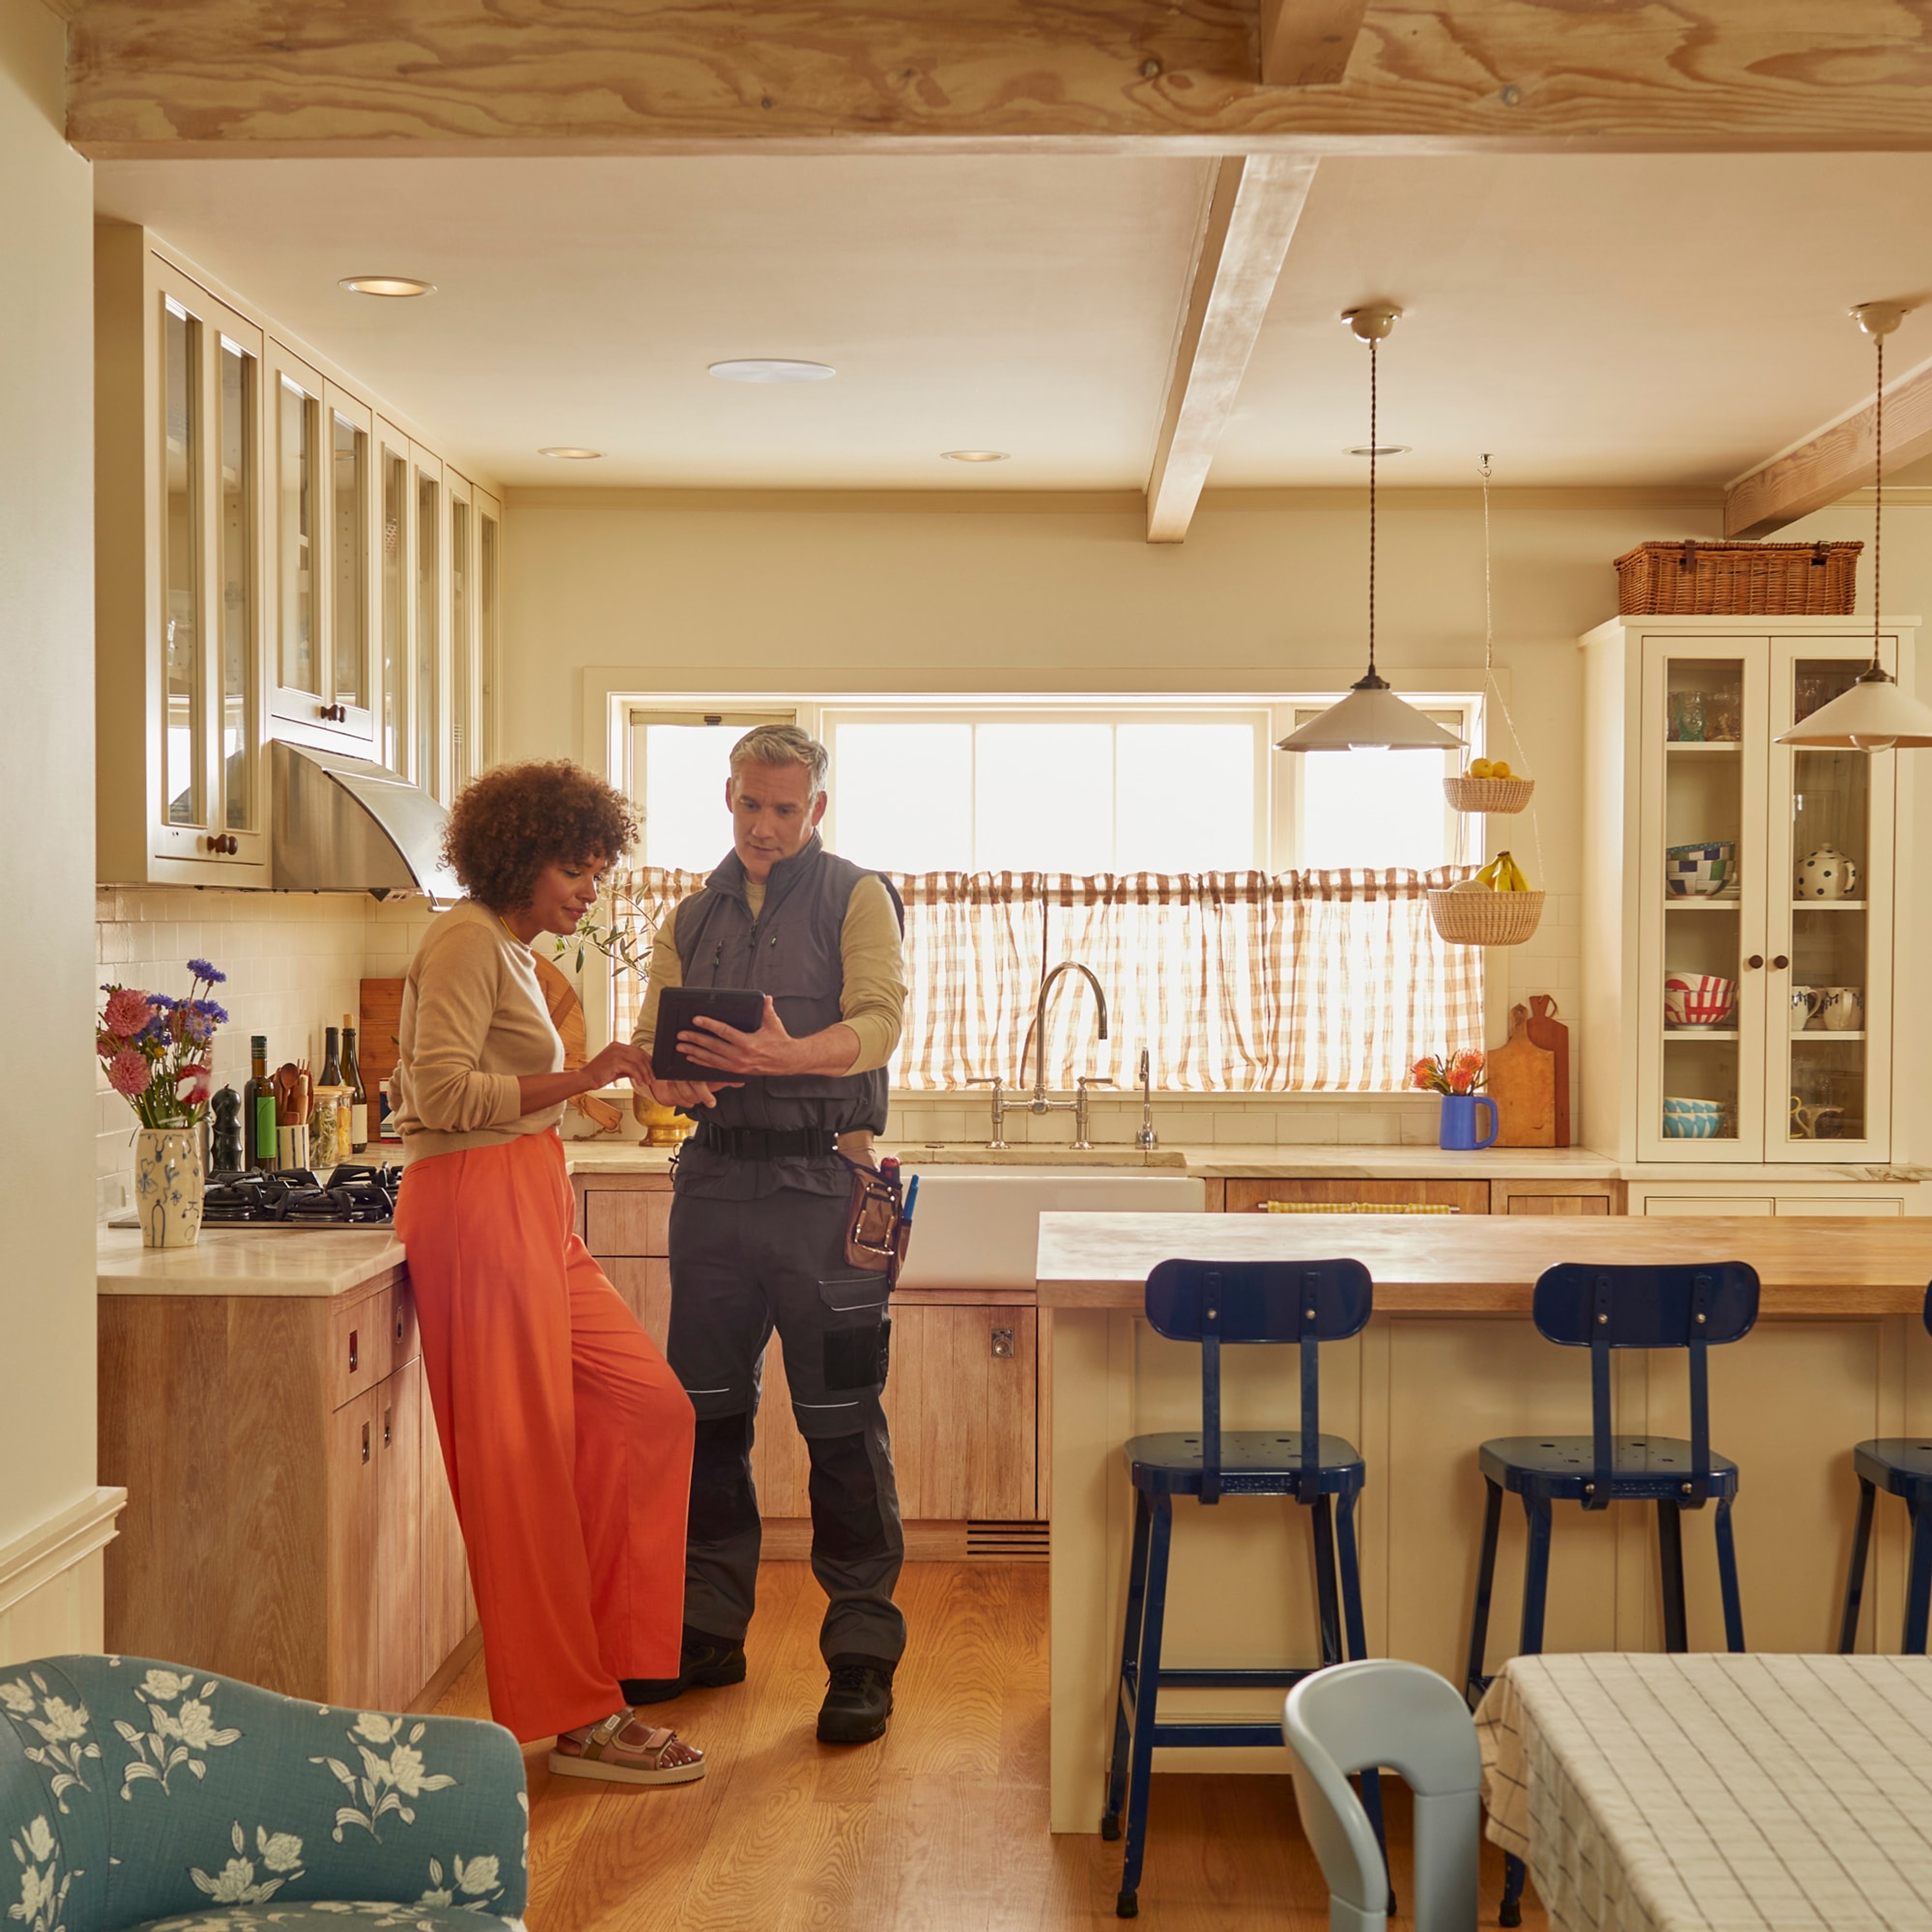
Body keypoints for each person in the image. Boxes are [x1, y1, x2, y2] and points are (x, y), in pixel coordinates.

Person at [392, 758, 732, 1785]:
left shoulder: (509, 951)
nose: (589, 889)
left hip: (531, 1196)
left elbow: (525, 1089)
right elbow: (439, 1092)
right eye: (575, 869)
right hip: (476, 1206)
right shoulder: (463, 939)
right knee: (522, 1471)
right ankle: (583, 1721)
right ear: (520, 856)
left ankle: (609, 1675)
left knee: (647, 1410)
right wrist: (586, 1074)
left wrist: (624, 1076)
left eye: (596, 869)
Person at [628, 723, 909, 1745]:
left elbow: (879, 1020)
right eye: (752, 806)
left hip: (825, 1191)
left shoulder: (856, 896)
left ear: (817, 810)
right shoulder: (691, 913)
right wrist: (667, 1076)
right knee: (704, 1423)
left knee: (840, 1425)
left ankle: (862, 1654)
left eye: (787, 809)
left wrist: (793, 1056)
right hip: (711, 1190)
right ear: (731, 797)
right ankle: (708, 1630)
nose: (767, 827)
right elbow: (663, 1042)